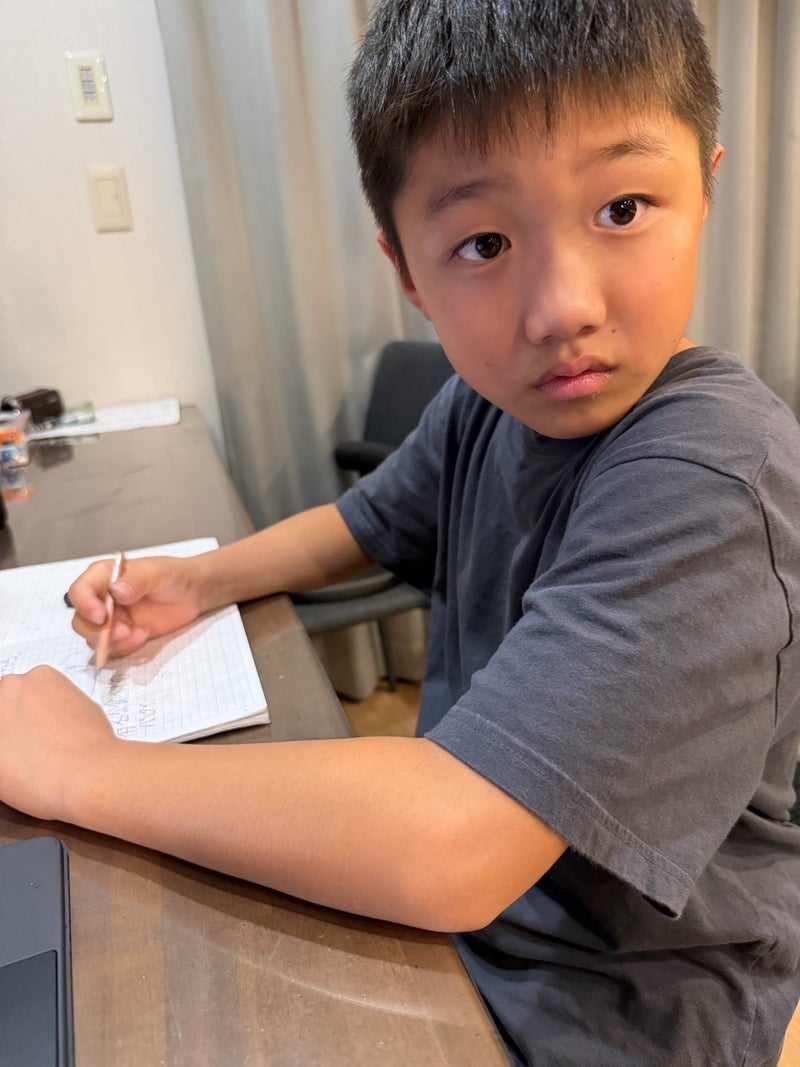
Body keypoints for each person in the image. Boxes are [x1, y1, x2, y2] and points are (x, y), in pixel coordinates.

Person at [1, 0, 799, 1062]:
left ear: (703, 189)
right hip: (465, 937)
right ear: (408, 274)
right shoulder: (487, 403)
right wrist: (195, 582)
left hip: (618, 1007)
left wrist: (81, 770)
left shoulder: (711, 474)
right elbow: (360, 521)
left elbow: (454, 844)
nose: (561, 307)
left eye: (621, 208)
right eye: (484, 242)